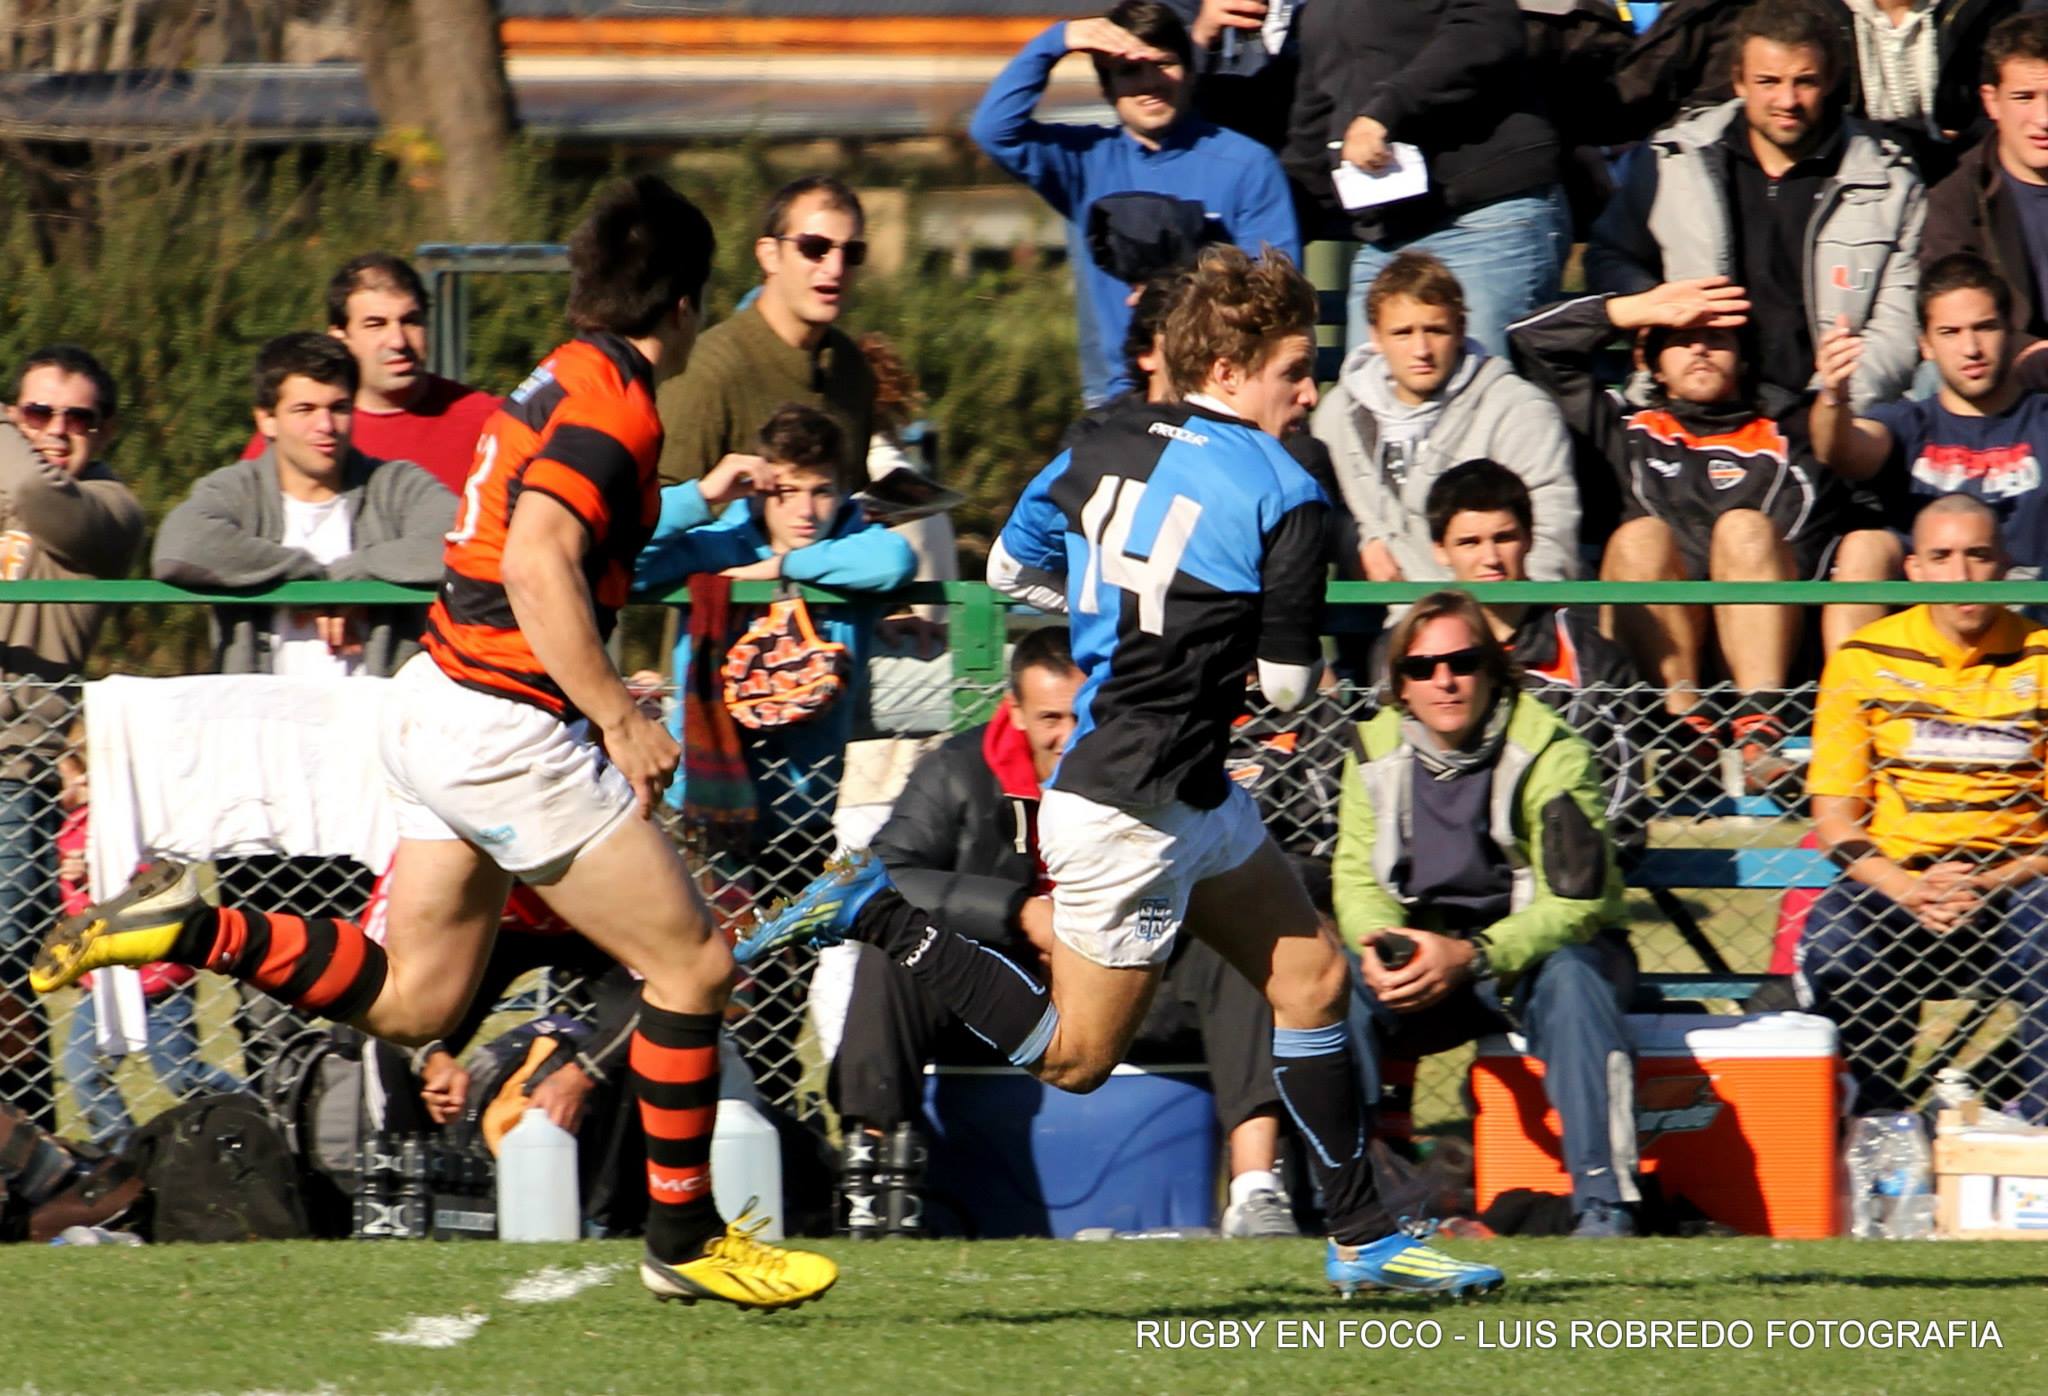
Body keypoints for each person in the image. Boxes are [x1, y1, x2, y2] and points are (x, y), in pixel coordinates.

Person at [33, 174, 838, 1309]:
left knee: (416, 1001)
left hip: (433, 703)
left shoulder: (563, 374)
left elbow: (566, 521)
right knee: (693, 963)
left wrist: (692, 503)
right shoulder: (619, 403)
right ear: (687, 303)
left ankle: (188, 921)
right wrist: (616, 711)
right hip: (506, 729)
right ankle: (684, 1235)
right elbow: (538, 558)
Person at [739, 245, 1506, 1297]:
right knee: (1074, 1057)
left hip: (1181, 789)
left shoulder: (1100, 436)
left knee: (1311, 974)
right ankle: (878, 908)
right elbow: (1285, 687)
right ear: (1231, 369)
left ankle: (1362, 1236)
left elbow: (1011, 567)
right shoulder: (1285, 489)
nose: (1308, 388)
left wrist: (1118, 613)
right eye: (1293, 365)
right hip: (1125, 811)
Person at [832, 627, 1301, 1239]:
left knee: (1236, 959)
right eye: (1049, 716)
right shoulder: (957, 770)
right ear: (1015, 714)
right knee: (894, 952)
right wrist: (1019, 913)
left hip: (1133, 976)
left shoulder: (1161, 767)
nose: (1065, 733)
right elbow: (886, 872)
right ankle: (871, 1182)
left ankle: (1256, 1189)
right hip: (1000, 984)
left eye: (1081, 715)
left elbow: (1244, 865)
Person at [1509, 277, 1893, 793]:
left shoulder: (1794, 429)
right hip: (1660, 660)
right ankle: (1687, 740)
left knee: (1744, 529)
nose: (1699, 348)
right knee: (1639, 538)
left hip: (1778, 657)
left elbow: (1837, 470)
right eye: (1681, 337)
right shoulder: (1624, 432)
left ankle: (1762, 736)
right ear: (1652, 362)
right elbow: (1531, 341)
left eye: (1717, 338)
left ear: (1743, 355)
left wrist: (1832, 398)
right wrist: (1638, 307)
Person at [634, 403, 915, 1101]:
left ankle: (775, 1127)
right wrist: (702, 496)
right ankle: (695, 1119)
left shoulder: (852, 541)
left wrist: (779, 570)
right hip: (708, 807)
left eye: (822, 490)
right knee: (705, 982)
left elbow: (894, 559)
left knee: (786, 984)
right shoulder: (723, 537)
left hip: (801, 808)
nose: (807, 508)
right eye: (786, 491)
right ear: (761, 487)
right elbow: (631, 561)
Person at [1340, 589, 1638, 1236]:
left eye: (1461, 662)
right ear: (1400, 685)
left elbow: (1579, 900)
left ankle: (1604, 1204)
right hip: (1434, 963)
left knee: (1574, 980)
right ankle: (1355, 1209)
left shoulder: (1552, 750)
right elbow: (1355, 878)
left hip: (1539, 959)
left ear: (1493, 668)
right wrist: (1380, 942)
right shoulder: (1370, 752)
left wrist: (1475, 955)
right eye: (1421, 669)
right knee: (1331, 985)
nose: (1443, 680)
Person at [1802, 494, 2048, 1122]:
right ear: (1912, 570)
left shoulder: (2042, 654)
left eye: (1978, 555)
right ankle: (1869, 1126)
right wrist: (1908, 888)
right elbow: (1833, 815)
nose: (1961, 575)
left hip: (2017, 882)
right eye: (1941, 557)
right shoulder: (1865, 659)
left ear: (2005, 565)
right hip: (1900, 878)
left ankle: (2039, 1134)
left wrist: (1992, 878)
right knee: (1834, 939)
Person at [1587, 0, 1925, 412]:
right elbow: (1609, 253)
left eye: (1805, 81)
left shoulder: (1889, 183)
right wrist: (1648, 306)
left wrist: (1829, 408)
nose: (1787, 99)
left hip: (1826, 422)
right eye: (1768, 81)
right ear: (1739, 81)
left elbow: (1896, 329)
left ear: (1831, 79)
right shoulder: (1672, 161)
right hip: (1691, 418)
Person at [970, 0, 1300, 405]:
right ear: (1107, 89)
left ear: (1191, 71)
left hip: (1219, 391)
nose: (1149, 82)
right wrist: (1059, 40)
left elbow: (1277, 291)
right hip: (1115, 394)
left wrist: (1186, 290)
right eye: (1129, 70)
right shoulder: (1085, 160)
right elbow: (993, 130)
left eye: (1163, 64)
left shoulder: (1247, 165)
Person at [0, 347, 144, 1131]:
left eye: (78, 417)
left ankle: (29, 1161)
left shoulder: (109, 507)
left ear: (105, 428)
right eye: (36, 414)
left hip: (15, 773)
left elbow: (30, 490)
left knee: (5, 974)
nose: (56, 432)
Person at [1372, 461, 1647, 857]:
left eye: (1504, 538)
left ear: (1530, 539)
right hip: (1432, 873)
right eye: (1470, 542)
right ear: (1439, 550)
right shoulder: (1398, 655)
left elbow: (1622, 807)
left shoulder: (1594, 660)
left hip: (1563, 868)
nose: (1491, 559)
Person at [152, 332, 455, 678]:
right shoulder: (237, 489)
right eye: (305, 410)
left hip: (378, 720)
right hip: (263, 719)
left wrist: (360, 574)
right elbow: (179, 546)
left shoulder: (395, 484)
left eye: (339, 408)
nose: (325, 426)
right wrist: (307, 580)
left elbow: (462, 538)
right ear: (267, 419)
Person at [1285, 0, 1569, 359]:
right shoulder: (1320, 10)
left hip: (1484, 217)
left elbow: (1486, 27)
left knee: (1477, 400)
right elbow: (1313, 123)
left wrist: (1384, 112)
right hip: (1387, 235)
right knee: (1368, 400)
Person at [1312, 252, 1580, 582]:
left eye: (1436, 331)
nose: (1421, 350)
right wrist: (1357, 542)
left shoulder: (1520, 410)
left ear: (1461, 329)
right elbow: (1321, 514)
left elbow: (1551, 529)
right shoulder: (1337, 415)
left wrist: (1515, 617)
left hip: (1504, 616)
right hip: (1398, 619)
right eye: (1403, 333)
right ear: (1376, 337)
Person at [52, 739, 247, 1148]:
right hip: (104, 982)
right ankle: (123, 1150)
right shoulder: (69, 828)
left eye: (65, 778)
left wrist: (103, 868)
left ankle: (251, 1109)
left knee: (179, 1072)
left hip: (158, 978)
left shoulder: (139, 824)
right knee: (82, 1069)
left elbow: (160, 881)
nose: (58, 788)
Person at [1813, 254, 2048, 583]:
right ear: (1926, 345)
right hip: (1925, 623)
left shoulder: (2041, 419)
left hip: (2031, 616)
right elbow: (1840, 451)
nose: (1971, 348)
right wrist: (1832, 396)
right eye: (1950, 332)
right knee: (1863, 547)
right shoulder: (1908, 423)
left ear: (2010, 331)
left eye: (1985, 327)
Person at [655, 176, 875, 487]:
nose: (835, 268)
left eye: (852, 252)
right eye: (814, 248)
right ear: (769, 254)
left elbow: (852, 492)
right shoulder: (708, 371)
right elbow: (654, 511)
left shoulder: (852, 369)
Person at [236, 252, 500, 493]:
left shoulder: (491, 423)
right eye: (376, 324)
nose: (398, 341)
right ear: (340, 337)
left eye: (410, 322)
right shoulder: (294, 435)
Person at [1923, 12, 2048, 376]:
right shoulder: (1957, 199)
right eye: (2024, 97)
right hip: (2004, 370)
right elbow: (1951, 313)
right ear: (1992, 102)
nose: (2043, 118)